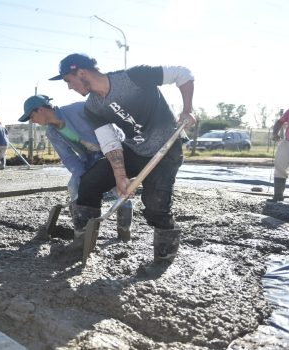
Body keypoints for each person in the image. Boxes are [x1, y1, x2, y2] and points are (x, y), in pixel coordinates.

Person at [50, 53, 195, 263]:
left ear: (80, 72)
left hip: (166, 148)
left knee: (156, 204)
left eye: (68, 81)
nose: (69, 87)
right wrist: (120, 176)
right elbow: (109, 141)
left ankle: (165, 256)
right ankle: (82, 241)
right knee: (90, 182)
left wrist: (187, 109)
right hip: (134, 150)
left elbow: (183, 74)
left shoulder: (134, 77)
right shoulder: (92, 107)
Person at [19, 95, 133, 240]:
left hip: (113, 150)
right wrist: (81, 176)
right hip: (90, 158)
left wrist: (118, 157)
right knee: (74, 185)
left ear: (40, 109)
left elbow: (112, 131)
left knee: (119, 190)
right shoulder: (52, 132)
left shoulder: (79, 109)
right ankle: (81, 231)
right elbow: (68, 157)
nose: (31, 120)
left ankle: (124, 230)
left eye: (31, 115)